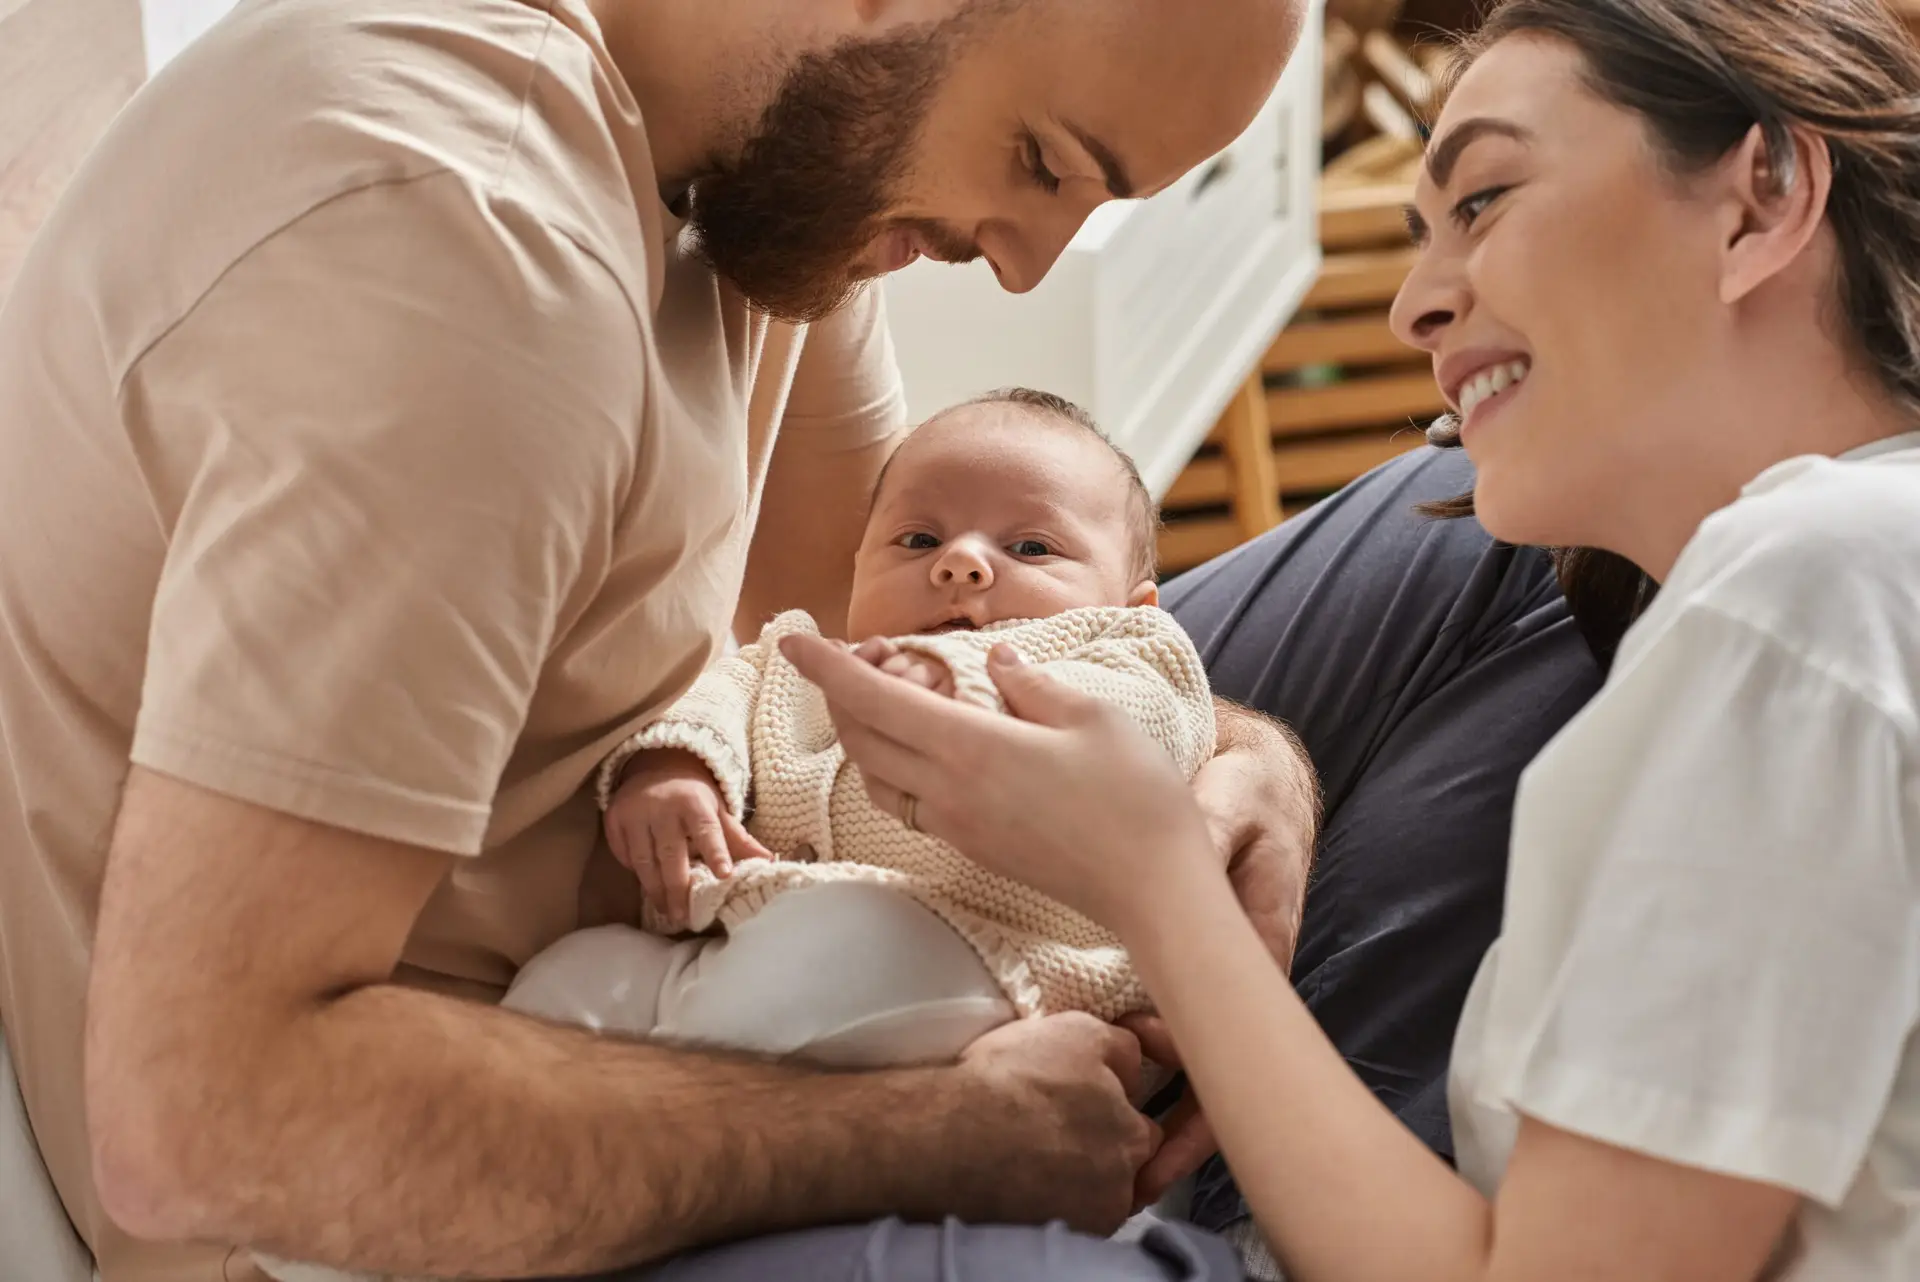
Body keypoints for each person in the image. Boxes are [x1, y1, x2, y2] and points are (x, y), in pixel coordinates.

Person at [0, 1, 1318, 1280]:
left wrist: (1235, 766)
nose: (1026, 260)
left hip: (696, 970)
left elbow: (876, 658)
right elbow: (206, 1124)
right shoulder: (470, 257)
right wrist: (945, 1142)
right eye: (1041, 162)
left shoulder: (766, 183)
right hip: (369, 1200)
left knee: (1433, 596)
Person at [784, 0, 1920, 1277]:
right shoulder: (1818, 578)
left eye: (1485, 199)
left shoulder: (1807, 592)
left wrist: (1152, 876)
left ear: (1761, 201)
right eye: (1417, 237)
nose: (1415, 310)